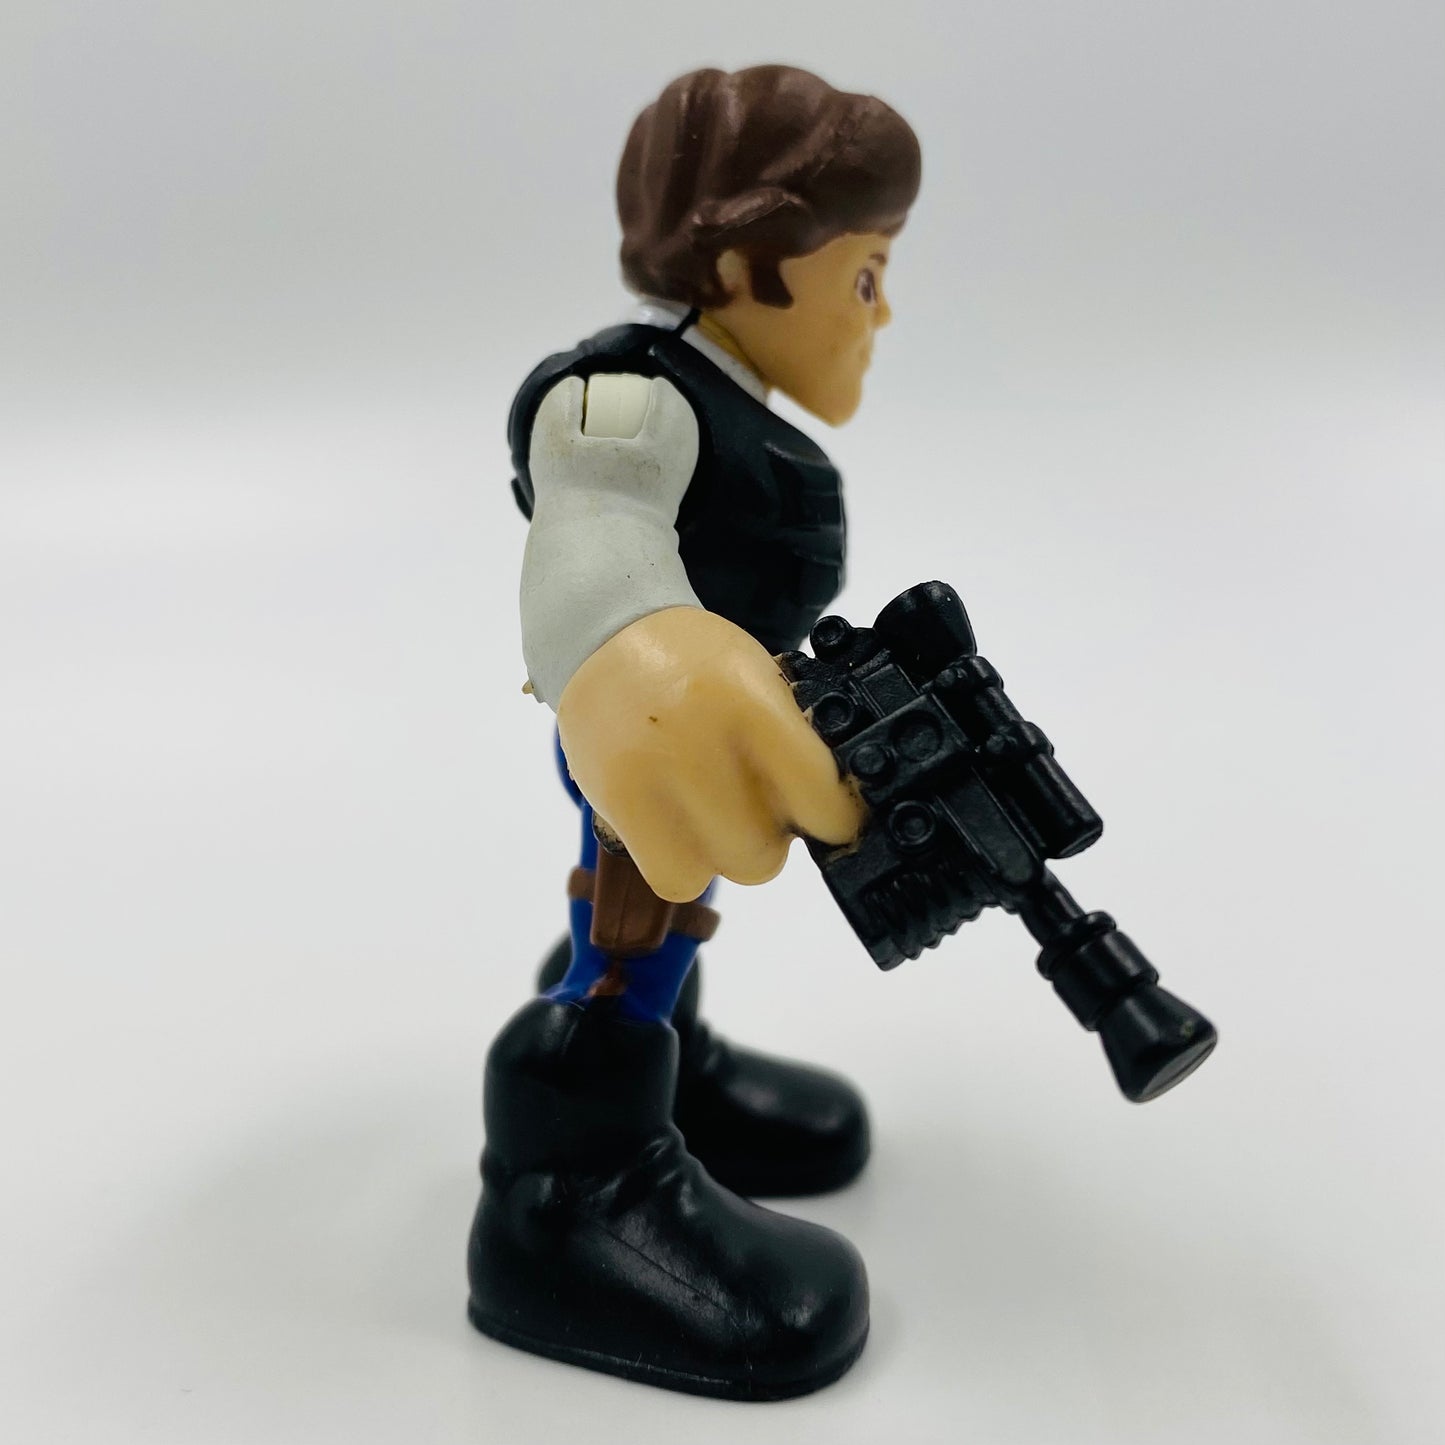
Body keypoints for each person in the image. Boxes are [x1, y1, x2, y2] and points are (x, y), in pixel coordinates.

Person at [467, 65, 922, 1399]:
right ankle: (570, 1178)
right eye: (862, 275)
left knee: (669, 900)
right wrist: (628, 643)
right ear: (742, 270)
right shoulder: (628, 397)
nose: (881, 312)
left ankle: (667, 1074)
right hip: (641, 734)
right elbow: (592, 512)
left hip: (694, 743)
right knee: (633, 919)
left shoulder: (727, 397)